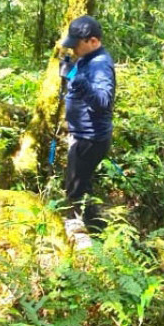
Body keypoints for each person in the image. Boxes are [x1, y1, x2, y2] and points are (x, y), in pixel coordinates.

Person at [61, 15, 115, 237]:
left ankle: (78, 235)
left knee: (74, 188)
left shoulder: (101, 64)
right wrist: (70, 71)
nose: (73, 48)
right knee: (83, 184)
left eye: (77, 44)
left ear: (93, 41)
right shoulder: (87, 58)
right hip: (83, 134)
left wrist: (79, 81)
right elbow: (80, 82)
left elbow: (103, 102)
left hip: (90, 139)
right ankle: (98, 228)